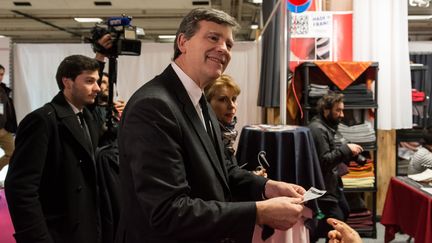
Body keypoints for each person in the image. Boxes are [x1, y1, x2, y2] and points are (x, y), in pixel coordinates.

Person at [116, 8, 305, 243]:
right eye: (213, 38)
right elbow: (168, 211)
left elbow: (222, 169)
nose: (223, 49)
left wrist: (267, 187)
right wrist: (259, 211)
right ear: (183, 42)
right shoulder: (154, 106)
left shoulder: (198, 100)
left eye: (229, 44)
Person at [5, 55, 102, 243]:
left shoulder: (88, 118)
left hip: (87, 229)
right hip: (57, 232)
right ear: (67, 82)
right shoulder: (42, 120)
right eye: (89, 81)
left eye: (97, 81)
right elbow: (21, 187)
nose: (97, 88)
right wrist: (38, 238)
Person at [308, 92, 364, 241]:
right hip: (323, 188)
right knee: (336, 221)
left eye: (342, 110)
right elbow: (324, 161)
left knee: (344, 212)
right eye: (338, 110)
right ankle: (310, 233)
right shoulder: (317, 129)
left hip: (332, 184)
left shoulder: (327, 126)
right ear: (326, 110)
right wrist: (346, 149)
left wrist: (348, 152)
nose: (342, 114)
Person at [204, 74, 267, 177]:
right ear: (207, 103)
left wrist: (252, 176)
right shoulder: (207, 136)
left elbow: (229, 173)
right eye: (222, 99)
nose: (231, 105)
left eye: (233, 99)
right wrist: (252, 179)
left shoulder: (227, 134)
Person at [0, 64, 17, 170]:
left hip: (4, 130)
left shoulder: (3, 90)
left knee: (12, 154)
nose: (0, 77)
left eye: (2, 74)